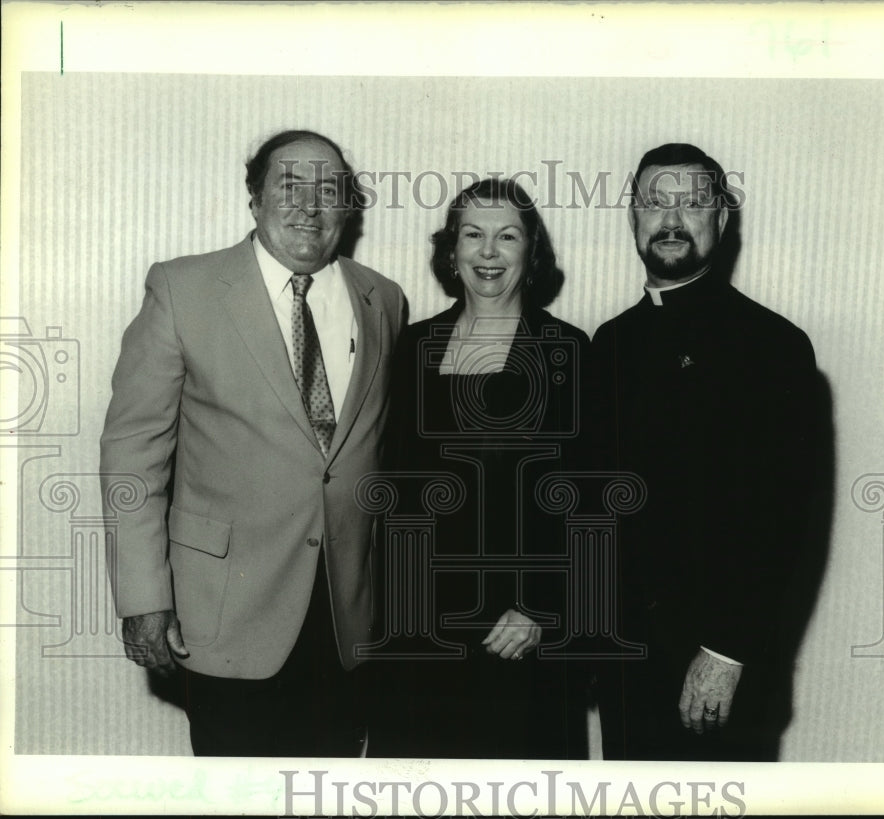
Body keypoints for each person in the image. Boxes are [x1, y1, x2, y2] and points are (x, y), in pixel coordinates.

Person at [99, 129, 406, 756]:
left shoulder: (384, 299)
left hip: (348, 616)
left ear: (349, 207)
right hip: (224, 611)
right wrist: (144, 598)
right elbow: (133, 452)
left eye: (330, 190)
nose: (309, 206)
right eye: (289, 187)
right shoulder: (182, 289)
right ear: (255, 198)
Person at [588, 143, 820, 761]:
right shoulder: (610, 343)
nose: (671, 220)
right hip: (626, 659)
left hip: (720, 670)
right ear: (631, 217)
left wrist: (727, 651)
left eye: (692, 204)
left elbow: (788, 518)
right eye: (654, 204)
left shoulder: (773, 346)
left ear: (723, 218)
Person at [365, 178, 589, 759]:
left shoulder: (568, 350)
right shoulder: (410, 348)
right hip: (417, 633)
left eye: (507, 236)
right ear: (452, 251)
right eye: (473, 235)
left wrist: (545, 606)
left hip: (518, 633)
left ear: (530, 252)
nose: (489, 252)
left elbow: (589, 502)